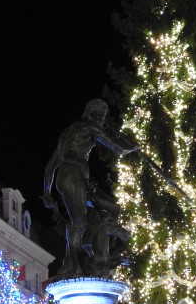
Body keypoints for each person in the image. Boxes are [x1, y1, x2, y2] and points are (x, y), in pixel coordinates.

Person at [43, 99, 140, 277]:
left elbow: (50, 168)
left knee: (112, 207)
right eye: (102, 117)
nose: (102, 121)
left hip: (72, 178)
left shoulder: (66, 134)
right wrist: (135, 146)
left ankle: (95, 249)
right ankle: (72, 265)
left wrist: (47, 192)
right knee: (78, 224)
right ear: (97, 114)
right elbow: (118, 149)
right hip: (73, 175)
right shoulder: (89, 126)